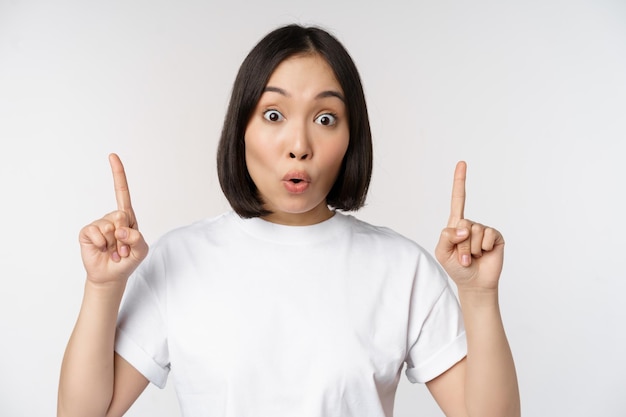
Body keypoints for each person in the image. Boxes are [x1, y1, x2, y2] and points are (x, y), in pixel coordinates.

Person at [57, 24, 520, 417]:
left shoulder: (401, 268)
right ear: (241, 128)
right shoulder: (179, 259)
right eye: (273, 114)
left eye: (325, 117)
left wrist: (479, 297)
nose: (299, 144)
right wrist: (102, 289)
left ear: (351, 137)